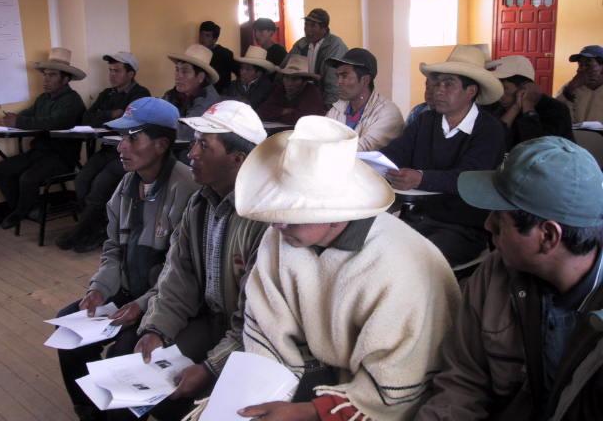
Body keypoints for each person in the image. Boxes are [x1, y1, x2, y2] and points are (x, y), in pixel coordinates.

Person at [220, 116, 459, 421]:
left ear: (335, 214)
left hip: (382, 398)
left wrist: (309, 411)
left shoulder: (401, 266)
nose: (276, 224)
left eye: (288, 215)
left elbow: (396, 382)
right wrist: (257, 395)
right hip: (321, 370)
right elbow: (267, 330)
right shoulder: (282, 237)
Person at [417, 136, 603, 421]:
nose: (487, 224)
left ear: (548, 236)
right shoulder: (496, 273)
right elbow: (463, 383)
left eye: (500, 220)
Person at [56, 97, 199, 421]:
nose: (121, 147)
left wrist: (143, 304)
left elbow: (180, 271)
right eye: (122, 138)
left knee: (124, 353)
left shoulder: (186, 189)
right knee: (69, 331)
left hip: (163, 298)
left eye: (132, 138)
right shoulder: (125, 186)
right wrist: (99, 290)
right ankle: (89, 408)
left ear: (162, 144)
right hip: (125, 290)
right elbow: (113, 249)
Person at [130, 101, 269, 420]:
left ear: (238, 159)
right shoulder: (199, 203)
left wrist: (210, 367)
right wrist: (157, 329)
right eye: (194, 142)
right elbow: (178, 276)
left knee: (183, 398)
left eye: (203, 145)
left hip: (248, 338)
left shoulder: (263, 220)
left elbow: (257, 321)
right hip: (212, 320)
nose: (190, 153)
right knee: (144, 366)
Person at [382, 45, 506, 270]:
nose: (438, 90)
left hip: (463, 227)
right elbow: (397, 152)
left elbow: (468, 177)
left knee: (413, 263)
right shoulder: (425, 121)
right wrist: (373, 162)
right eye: (437, 83)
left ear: (471, 91)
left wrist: (421, 178)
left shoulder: (489, 130)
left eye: (449, 84)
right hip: (416, 217)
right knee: (375, 247)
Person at [56, 51, 151, 252]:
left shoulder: (141, 94)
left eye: (117, 71)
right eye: (110, 70)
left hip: (128, 152)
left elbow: (129, 123)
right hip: (108, 149)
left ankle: (88, 231)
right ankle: (91, 227)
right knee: (82, 179)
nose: (112, 75)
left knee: (100, 185)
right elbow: (87, 118)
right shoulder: (107, 94)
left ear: (131, 74)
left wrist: (107, 118)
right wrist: (111, 114)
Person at [0, 47, 86, 229]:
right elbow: (28, 115)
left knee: (28, 178)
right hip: (39, 152)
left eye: (52, 75)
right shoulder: (43, 99)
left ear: (65, 79)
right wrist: (13, 119)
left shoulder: (72, 100)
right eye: (45, 75)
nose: (46, 79)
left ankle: (19, 213)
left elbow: (53, 122)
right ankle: (29, 208)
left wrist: (19, 121)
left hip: (61, 156)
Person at [485, 55, 573, 149]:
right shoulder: (495, 105)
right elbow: (491, 140)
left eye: (505, 88)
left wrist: (528, 108)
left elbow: (538, 149)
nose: (500, 94)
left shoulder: (555, 109)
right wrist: (515, 108)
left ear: (525, 88)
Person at [326, 48, 404, 151]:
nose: (338, 82)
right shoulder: (337, 109)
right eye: (338, 76)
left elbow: (362, 150)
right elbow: (320, 138)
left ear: (365, 80)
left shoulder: (388, 113)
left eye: (344, 76)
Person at [287, 8, 347, 107]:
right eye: (306, 24)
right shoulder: (301, 44)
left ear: (324, 28)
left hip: (323, 102)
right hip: (303, 101)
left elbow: (333, 83)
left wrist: (328, 108)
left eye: (313, 25)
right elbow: (287, 69)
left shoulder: (335, 45)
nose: (307, 29)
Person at [163, 44, 221, 142]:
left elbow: (185, 132)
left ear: (200, 77)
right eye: (177, 70)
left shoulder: (208, 100)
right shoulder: (173, 94)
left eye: (185, 71)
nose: (178, 76)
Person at [256, 54, 326, 124]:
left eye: (294, 79)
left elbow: (301, 120)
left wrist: (276, 114)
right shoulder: (281, 89)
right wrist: (284, 111)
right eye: (286, 77)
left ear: (304, 82)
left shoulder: (312, 93)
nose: (289, 83)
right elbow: (262, 111)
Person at [557, 45, 603, 123]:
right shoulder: (570, 87)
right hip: (576, 134)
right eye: (580, 65)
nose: (580, 70)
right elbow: (558, 116)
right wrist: (569, 90)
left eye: (588, 65)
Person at [223, 45, 275, 110]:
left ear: (259, 73)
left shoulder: (266, 86)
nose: (242, 72)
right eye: (242, 68)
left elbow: (253, 105)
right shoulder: (233, 85)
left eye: (248, 69)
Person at [198, 21, 234, 93]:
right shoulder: (196, 52)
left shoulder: (226, 54)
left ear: (215, 39)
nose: (202, 38)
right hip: (201, 94)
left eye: (207, 36)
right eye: (201, 34)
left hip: (220, 95)